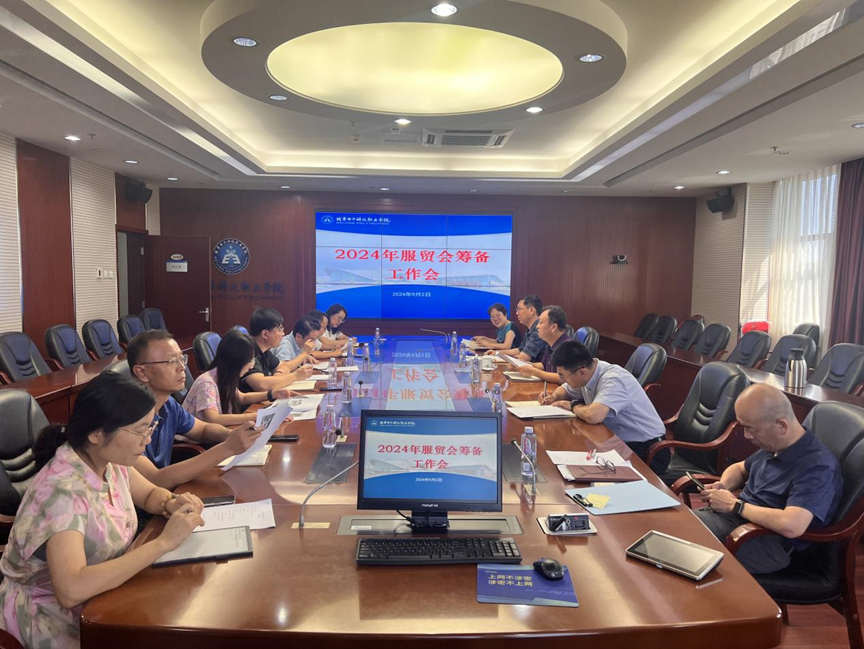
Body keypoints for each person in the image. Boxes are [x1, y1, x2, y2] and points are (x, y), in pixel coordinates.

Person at [0, 373, 205, 648]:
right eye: (140, 430)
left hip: (106, 596)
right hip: (53, 619)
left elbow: (148, 494)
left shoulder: (107, 459)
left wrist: (170, 502)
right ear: (96, 433)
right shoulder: (62, 493)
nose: (147, 440)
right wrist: (164, 543)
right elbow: (71, 589)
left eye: (150, 427)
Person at [696, 384, 842, 575]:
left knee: (685, 543)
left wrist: (735, 505)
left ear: (782, 426)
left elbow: (792, 526)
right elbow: (739, 468)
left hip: (765, 542)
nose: (747, 436)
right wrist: (723, 486)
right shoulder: (775, 445)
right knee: (674, 526)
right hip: (738, 522)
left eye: (751, 429)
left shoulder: (817, 467)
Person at [126, 330, 262, 488]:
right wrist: (228, 448)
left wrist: (230, 435)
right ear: (142, 372)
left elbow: (203, 429)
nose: (182, 367)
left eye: (181, 359)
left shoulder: (168, 404)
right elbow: (155, 479)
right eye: (171, 361)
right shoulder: (125, 420)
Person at [541, 341, 670, 473]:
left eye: (562, 376)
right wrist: (554, 396)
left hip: (648, 451)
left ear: (581, 372)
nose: (562, 380)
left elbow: (593, 416)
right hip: (618, 442)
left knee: (582, 473)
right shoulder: (588, 373)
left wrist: (573, 405)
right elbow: (566, 389)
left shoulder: (613, 379)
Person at [183, 331, 297, 426]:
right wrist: (256, 416)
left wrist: (272, 394)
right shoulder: (207, 383)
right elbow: (213, 419)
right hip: (197, 442)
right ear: (236, 361)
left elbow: (241, 397)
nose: (251, 366)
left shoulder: (223, 375)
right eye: (250, 360)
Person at [240, 307, 313, 393]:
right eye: (279, 329)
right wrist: (295, 376)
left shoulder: (265, 351)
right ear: (265, 334)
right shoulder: (248, 351)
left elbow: (285, 366)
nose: (283, 334)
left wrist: (278, 374)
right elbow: (261, 384)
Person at [517, 305, 570, 383]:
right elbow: (544, 365)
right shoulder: (551, 344)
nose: (537, 326)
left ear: (553, 327)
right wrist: (524, 364)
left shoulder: (567, 347)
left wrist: (534, 372)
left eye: (540, 322)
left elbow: (563, 378)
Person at [486, 294, 547, 363]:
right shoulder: (530, 329)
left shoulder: (537, 329)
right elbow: (519, 350)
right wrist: (497, 353)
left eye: (519, 309)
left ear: (531, 310)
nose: (517, 313)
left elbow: (523, 357)